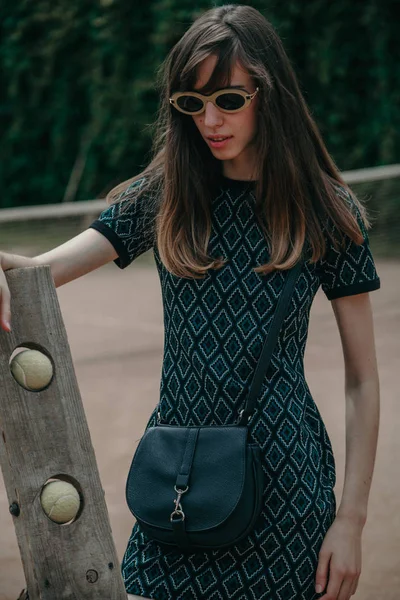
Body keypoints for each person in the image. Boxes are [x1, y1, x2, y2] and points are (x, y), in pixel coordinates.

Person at [0, 4, 381, 600]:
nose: (209, 120)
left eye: (228, 100)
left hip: (287, 496)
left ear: (268, 93)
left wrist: (351, 521)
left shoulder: (327, 212)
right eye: (190, 104)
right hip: (176, 482)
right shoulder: (165, 195)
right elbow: (44, 272)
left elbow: (363, 381)